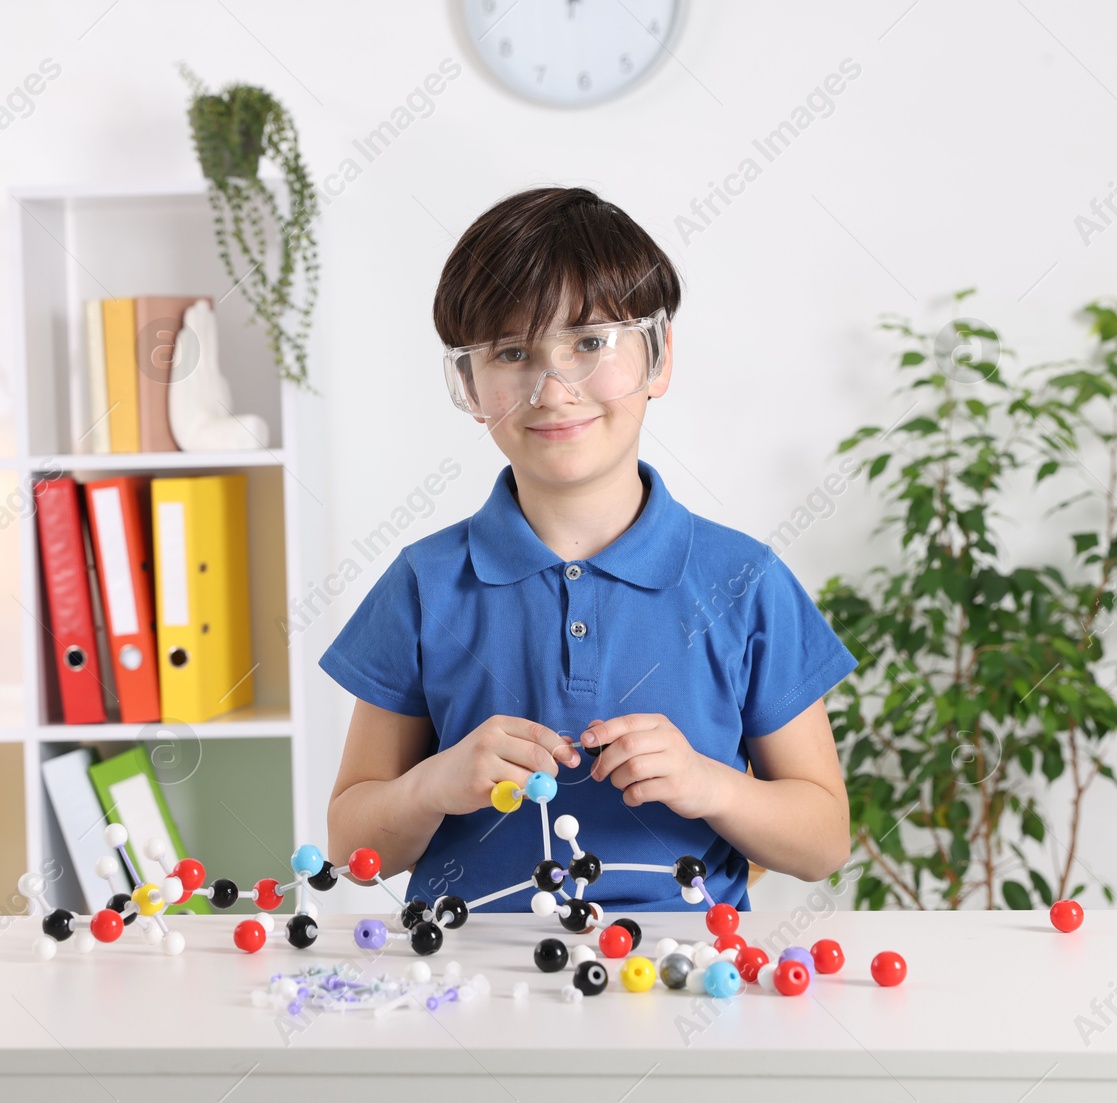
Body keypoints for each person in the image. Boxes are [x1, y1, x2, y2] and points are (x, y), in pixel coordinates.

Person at [319, 186, 858, 912]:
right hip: (470, 985)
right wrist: (435, 783)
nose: (552, 387)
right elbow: (353, 849)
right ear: (470, 385)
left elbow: (823, 841)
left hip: (687, 978)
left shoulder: (746, 580)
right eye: (512, 351)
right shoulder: (424, 584)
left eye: (590, 342)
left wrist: (711, 785)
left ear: (658, 356)